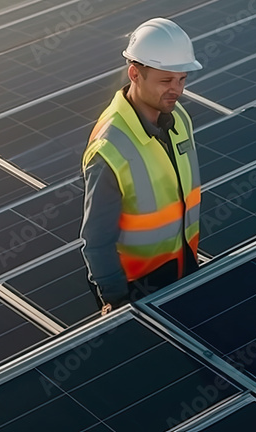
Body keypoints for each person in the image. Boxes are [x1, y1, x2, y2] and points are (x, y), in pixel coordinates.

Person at [80, 17, 203, 315]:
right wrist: (117, 300)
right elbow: (96, 241)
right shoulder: (110, 148)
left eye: (182, 79)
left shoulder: (179, 118)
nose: (177, 90)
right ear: (135, 73)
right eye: (165, 81)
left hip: (185, 267)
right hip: (139, 289)